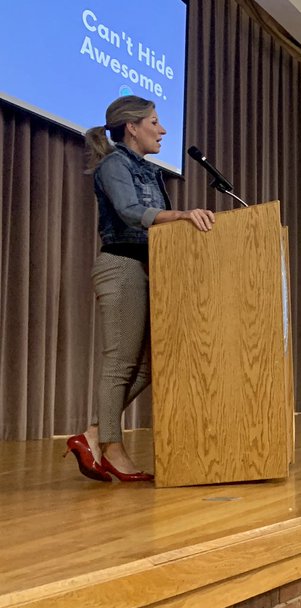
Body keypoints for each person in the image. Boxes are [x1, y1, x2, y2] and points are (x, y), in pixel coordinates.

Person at [65, 96, 215, 483]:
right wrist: (181, 215)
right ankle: (111, 448)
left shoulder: (150, 171)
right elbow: (131, 212)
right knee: (120, 363)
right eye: (154, 121)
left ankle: (95, 435)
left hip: (151, 269)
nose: (162, 129)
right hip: (122, 266)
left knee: (152, 363)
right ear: (132, 127)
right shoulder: (114, 163)